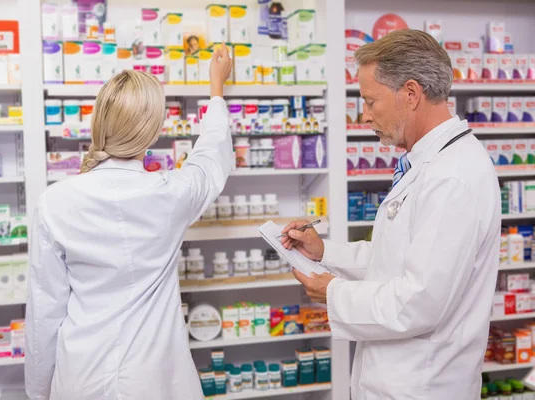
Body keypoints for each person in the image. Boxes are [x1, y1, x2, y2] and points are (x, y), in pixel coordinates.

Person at [281, 29, 500, 399]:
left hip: (423, 386)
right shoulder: (429, 164)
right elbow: (398, 259)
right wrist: (325, 254)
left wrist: (333, 292)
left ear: (411, 94)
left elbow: (418, 302)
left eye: (370, 101)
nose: (364, 116)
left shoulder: (453, 178)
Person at [25, 44, 234, 400]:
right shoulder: (172, 193)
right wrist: (216, 89)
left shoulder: (55, 202)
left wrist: (39, 392)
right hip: (154, 380)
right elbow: (211, 156)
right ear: (152, 134)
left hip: (81, 376)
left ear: (99, 124)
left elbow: (45, 312)